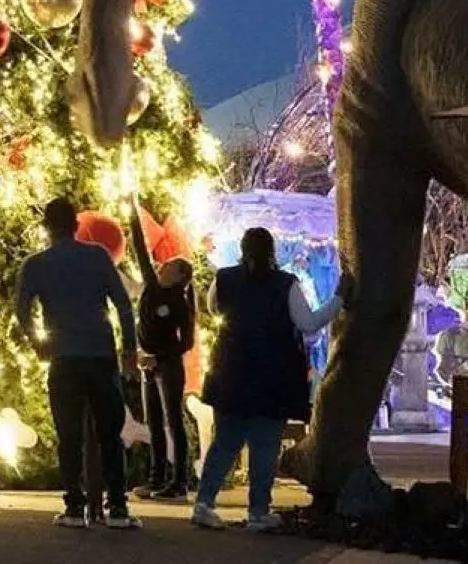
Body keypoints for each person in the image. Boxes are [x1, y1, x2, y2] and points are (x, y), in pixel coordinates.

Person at [192, 226, 349, 532]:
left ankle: (204, 503)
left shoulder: (224, 279)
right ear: (272, 251)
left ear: (242, 250)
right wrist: (339, 298)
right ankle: (258, 511)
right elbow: (308, 323)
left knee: (224, 443)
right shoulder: (285, 284)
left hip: (230, 372)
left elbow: (212, 308)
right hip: (273, 376)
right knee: (264, 445)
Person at [16, 196, 141, 530]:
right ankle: (117, 507)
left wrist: (38, 341)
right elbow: (123, 305)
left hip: (63, 356)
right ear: (76, 225)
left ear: (46, 227)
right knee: (109, 434)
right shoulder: (98, 256)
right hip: (100, 354)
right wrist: (129, 349)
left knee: (68, 435)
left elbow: (22, 309)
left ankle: (74, 505)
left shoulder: (36, 264)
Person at [128, 195, 196, 501]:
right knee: (154, 422)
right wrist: (132, 210)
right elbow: (141, 250)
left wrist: (160, 356)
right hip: (149, 364)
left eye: (170, 266)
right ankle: (156, 479)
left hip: (167, 366)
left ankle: (179, 480)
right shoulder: (152, 287)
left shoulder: (179, 302)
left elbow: (186, 341)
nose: (163, 266)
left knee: (173, 421)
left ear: (180, 277)